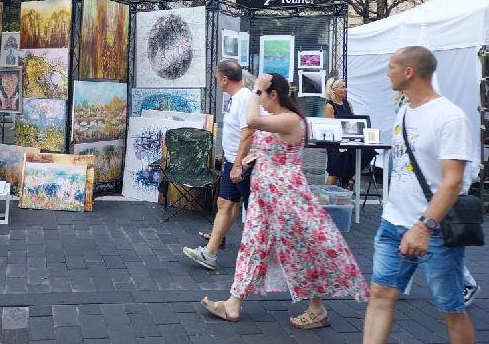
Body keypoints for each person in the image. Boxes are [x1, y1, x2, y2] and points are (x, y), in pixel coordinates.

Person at [201, 73, 368, 328]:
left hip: (286, 198)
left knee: (299, 251)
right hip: (266, 198)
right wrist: (250, 160)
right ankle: (233, 303)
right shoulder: (278, 119)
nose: (261, 101)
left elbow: (252, 120)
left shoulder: (291, 119)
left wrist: (255, 89)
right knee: (253, 247)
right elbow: (269, 147)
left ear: (273, 94)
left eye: (263, 96)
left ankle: (317, 309)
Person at [363, 46, 477, 343]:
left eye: (391, 66)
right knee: (380, 294)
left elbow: (453, 180)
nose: (387, 72)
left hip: (434, 229)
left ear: (409, 72)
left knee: (451, 308)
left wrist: (424, 227)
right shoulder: (404, 110)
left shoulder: (449, 117)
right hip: (392, 224)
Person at [183, 60, 254, 270]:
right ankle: (210, 252)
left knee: (252, 210)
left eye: (216, 78)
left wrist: (238, 165)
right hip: (233, 160)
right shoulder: (235, 98)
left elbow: (248, 133)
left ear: (224, 79)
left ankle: (262, 256)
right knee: (225, 203)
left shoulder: (244, 98)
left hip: (243, 164)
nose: (216, 82)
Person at [323, 78, 375, 187]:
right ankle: (327, 194)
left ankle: (352, 176)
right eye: (343, 87)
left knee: (369, 151)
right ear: (333, 89)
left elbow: (354, 122)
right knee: (335, 171)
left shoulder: (348, 103)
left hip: (350, 141)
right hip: (336, 143)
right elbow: (330, 128)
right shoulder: (329, 106)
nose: (345, 89)